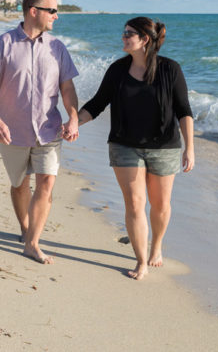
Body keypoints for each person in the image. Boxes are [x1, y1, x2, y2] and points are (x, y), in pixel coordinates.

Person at [78, 16, 194, 280]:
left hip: (164, 147)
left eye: (128, 33)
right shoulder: (118, 70)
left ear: (144, 40)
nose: (123, 37)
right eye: (124, 32)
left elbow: (184, 110)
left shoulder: (170, 69)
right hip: (124, 145)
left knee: (160, 204)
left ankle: (157, 247)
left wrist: (190, 148)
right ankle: (141, 260)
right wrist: (73, 123)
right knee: (135, 203)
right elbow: (97, 104)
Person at [0, 0, 79, 264]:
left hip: (49, 131)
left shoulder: (57, 47)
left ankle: (32, 243)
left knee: (46, 183)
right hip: (12, 132)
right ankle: (25, 229)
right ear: (34, 11)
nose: (56, 16)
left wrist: (73, 116)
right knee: (20, 184)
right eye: (52, 10)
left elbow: (67, 87)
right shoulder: (3, 44)